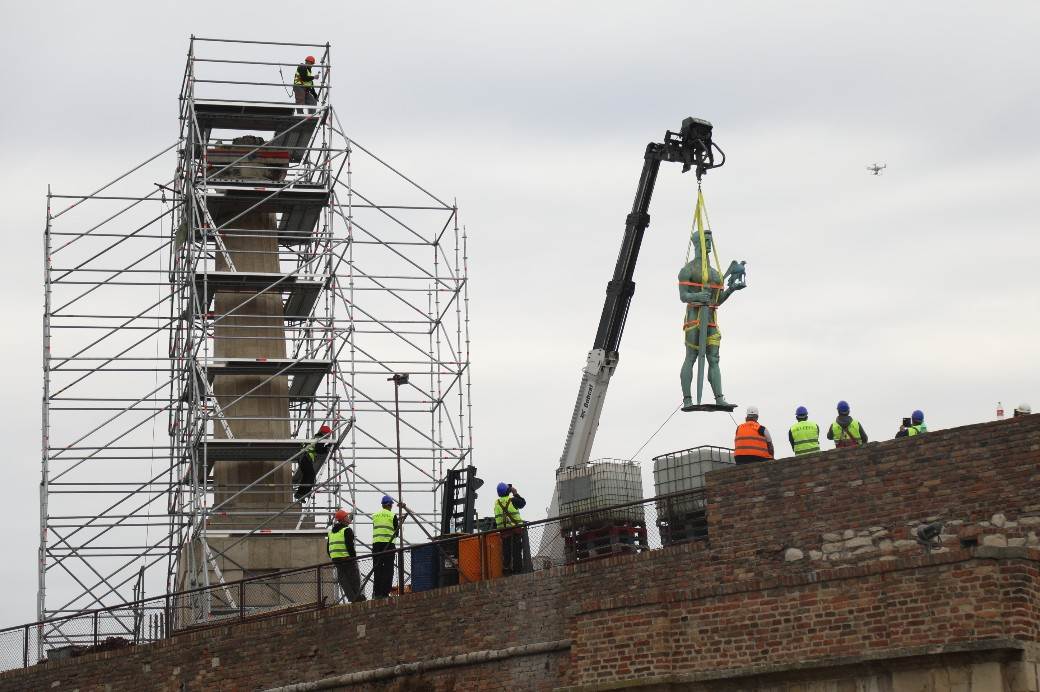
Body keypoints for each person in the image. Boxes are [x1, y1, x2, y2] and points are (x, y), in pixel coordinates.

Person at [678, 230, 748, 409]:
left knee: (714, 359)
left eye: (710, 240)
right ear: (697, 242)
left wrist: (731, 289)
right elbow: (684, 296)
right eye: (705, 240)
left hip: (710, 320)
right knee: (691, 356)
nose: (708, 243)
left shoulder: (716, 274)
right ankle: (687, 399)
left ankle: (719, 398)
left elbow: (716, 300)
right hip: (694, 320)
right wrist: (698, 296)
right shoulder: (687, 270)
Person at [326, 509, 365, 603]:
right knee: (354, 578)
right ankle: (357, 597)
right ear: (343, 519)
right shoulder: (347, 530)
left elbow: (328, 548)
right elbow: (350, 546)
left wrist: (333, 556)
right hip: (346, 558)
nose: (348, 518)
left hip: (336, 559)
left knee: (343, 580)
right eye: (346, 516)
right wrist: (354, 558)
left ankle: (352, 598)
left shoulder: (331, 532)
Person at [494, 482, 527, 575]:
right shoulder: (512, 500)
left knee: (506, 551)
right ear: (508, 491)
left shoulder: (497, 503)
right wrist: (515, 493)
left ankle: (506, 570)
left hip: (504, 531)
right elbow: (523, 503)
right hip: (515, 529)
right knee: (516, 550)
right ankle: (517, 570)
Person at [371, 495, 399, 598]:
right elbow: (396, 533)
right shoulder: (392, 515)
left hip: (376, 545)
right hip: (389, 544)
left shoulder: (375, 515)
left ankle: (377, 593)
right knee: (388, 569)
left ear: (382, 505)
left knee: (377, 568)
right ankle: (384, 593)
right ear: (390, 505)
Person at [295, 424, 332, 501]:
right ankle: (302, 493)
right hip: (305, 458)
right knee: (310, 475)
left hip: (303, 458)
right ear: (324, 433)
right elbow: (319, 450)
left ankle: (301, 493)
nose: (329, 436)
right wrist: (327, 447)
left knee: (307, 476)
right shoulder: (320, 439)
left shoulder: (317, 438)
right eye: (328, 434)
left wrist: (327, 446)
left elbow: (317, 448)